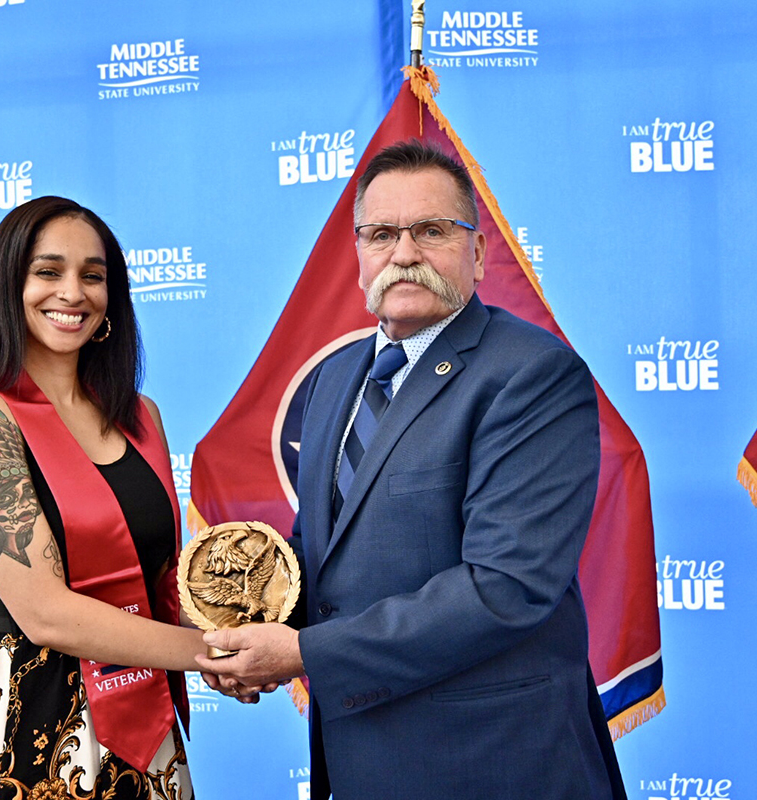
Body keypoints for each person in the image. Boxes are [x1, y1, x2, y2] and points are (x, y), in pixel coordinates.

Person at [196, 142, 628, 799]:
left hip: (496, 765)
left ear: (478, 255)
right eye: (381, 234)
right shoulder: (336, 378)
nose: (403, 253)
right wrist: (255, 633)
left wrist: (305, 655)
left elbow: (503, 587)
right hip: (361, 759)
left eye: (431, 231)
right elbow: (324, 553)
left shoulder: (532, 375)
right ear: (360, 253)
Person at [0, 196, 216, 799]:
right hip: (28, 724)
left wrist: (238, 638)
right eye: (48, 271)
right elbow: (44, 612)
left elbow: (162, 579)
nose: (73, 292)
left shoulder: (142, 417)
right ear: (7, 286)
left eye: (93, 276)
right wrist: (211, 654)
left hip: (148, 714)